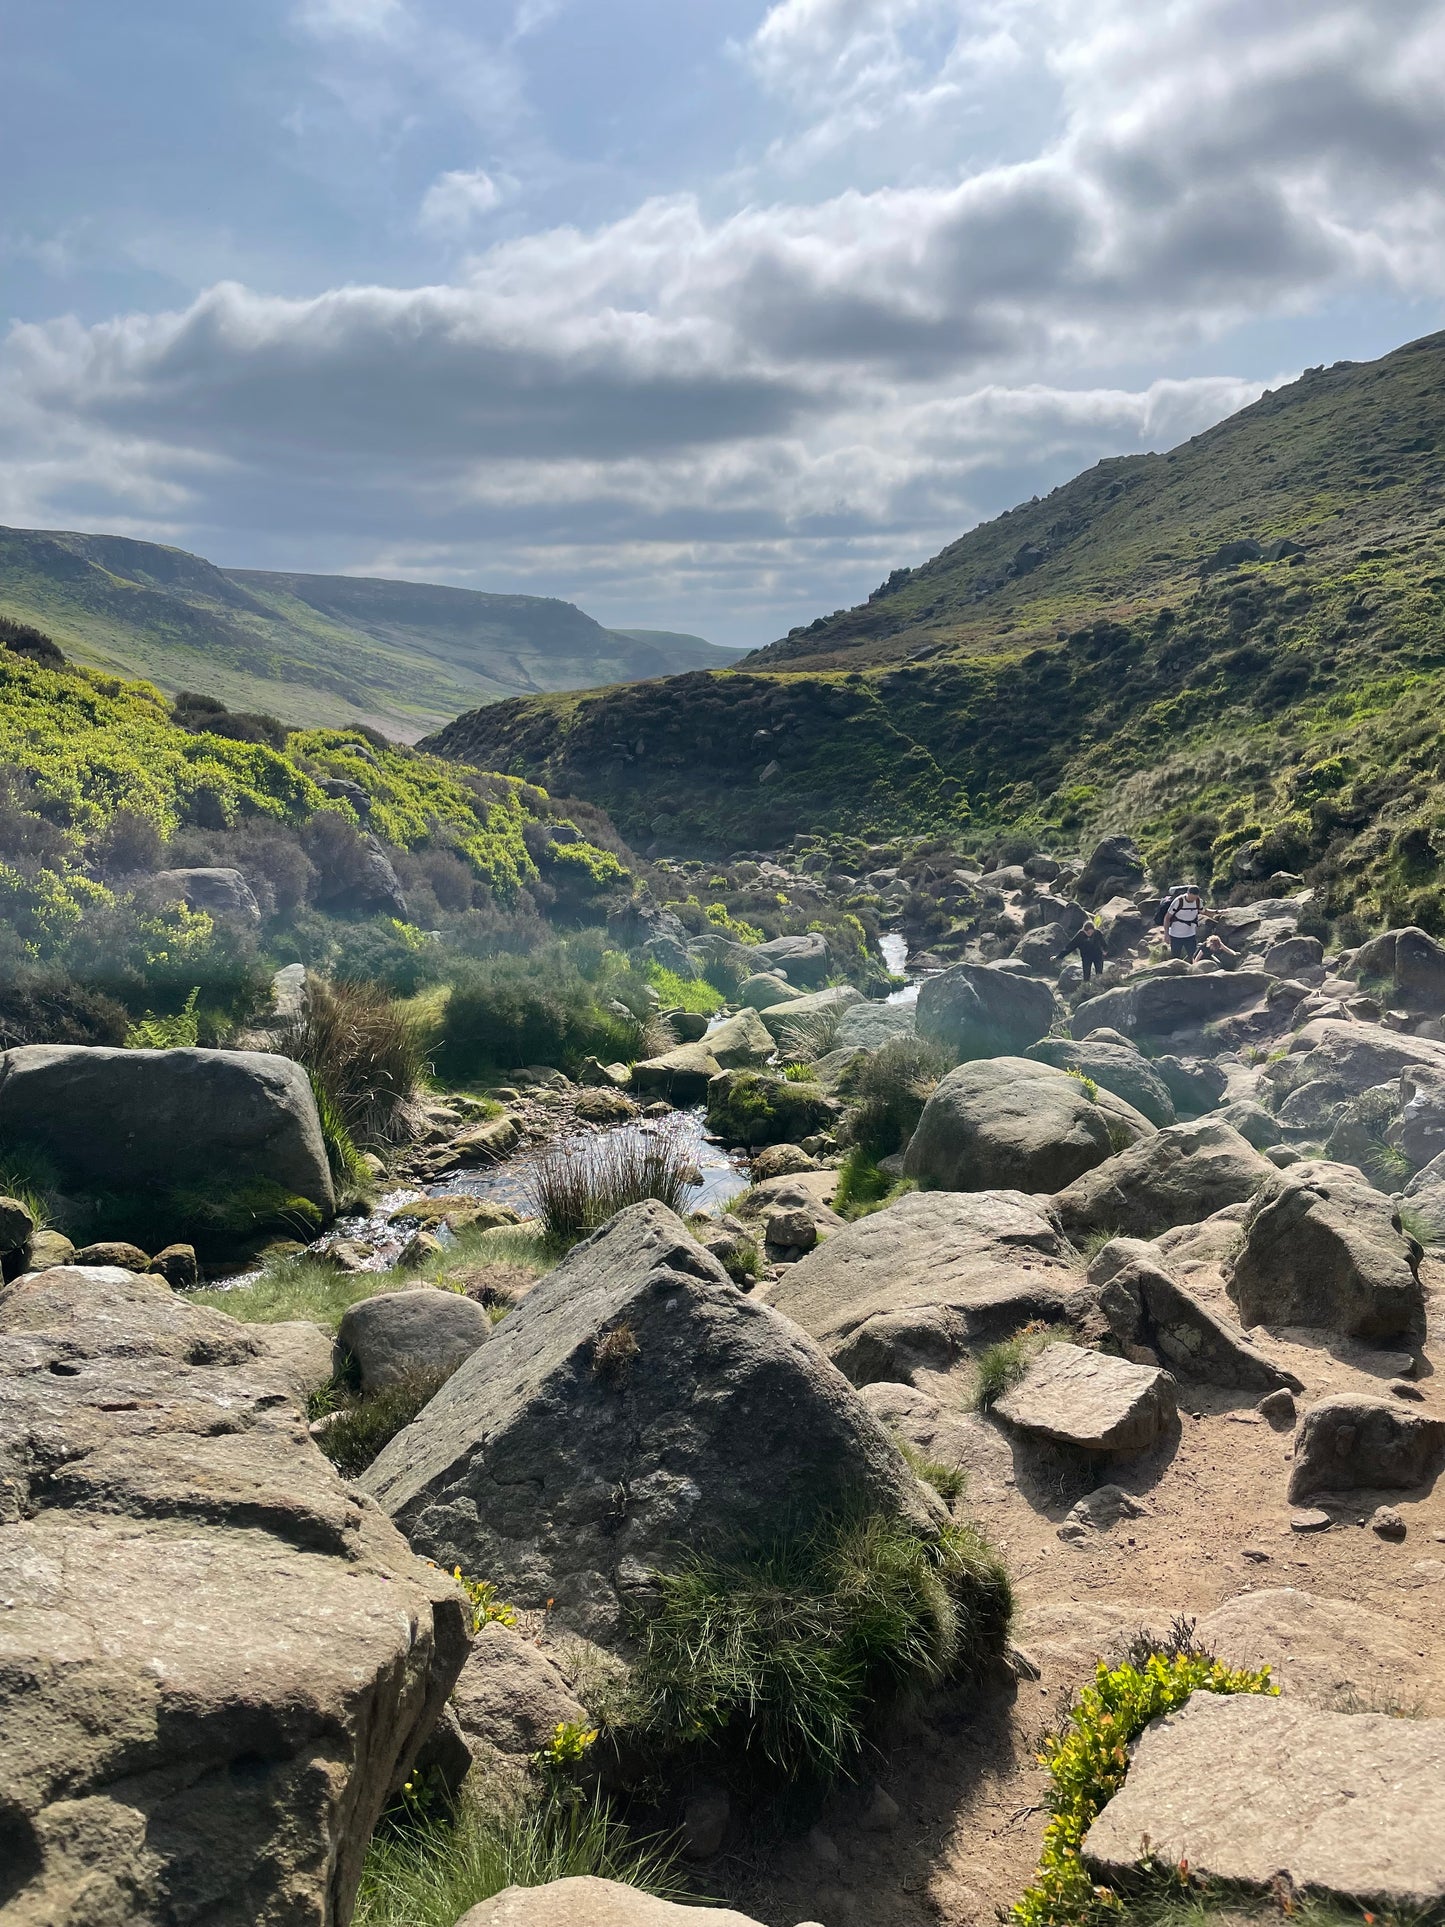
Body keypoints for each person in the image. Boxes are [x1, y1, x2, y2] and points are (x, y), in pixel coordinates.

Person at [1161, 883, 1205, 961]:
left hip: (1190, 934)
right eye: (1191, 897)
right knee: (1176, 957)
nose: (1192, 900)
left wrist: (1218, 912)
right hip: (1176, 935)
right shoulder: (1179, 901)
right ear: (1187, 893)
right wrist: (1166, 934)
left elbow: (1203, 911)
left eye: (1194, 898)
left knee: (1193, 955)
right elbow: (1167, 917)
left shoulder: (1198, 901)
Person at [1059, 918, 1106, 984]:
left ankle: (1099, 988)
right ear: (1083, 930)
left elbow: (1103, 943)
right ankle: (1086, 990)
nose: (1088, 934)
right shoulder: (1080, 935)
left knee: (1099, 974)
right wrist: (1059, 956)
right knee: (1086, 976)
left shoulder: (1097, 933)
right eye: (1087, 932)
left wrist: (1105, 950)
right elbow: (1070, 946)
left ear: (1093, 930)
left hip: (1097, 956)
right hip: (1086, 957)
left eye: (1090, 932)